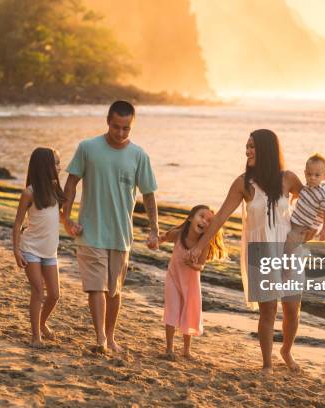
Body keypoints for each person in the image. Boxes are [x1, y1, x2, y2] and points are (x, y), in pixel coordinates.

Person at [188, 129, 312, 373]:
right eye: (247, 146)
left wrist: (311, 230)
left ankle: (286, 350)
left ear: (267, 149)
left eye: (252, 146)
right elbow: (221, 216)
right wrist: (199, 246)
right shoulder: (243, 183)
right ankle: (267, 364)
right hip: (261, 252)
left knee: (291, 308)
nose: (247, 151)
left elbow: (310, 203)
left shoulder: (287, 178)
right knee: (268, 310)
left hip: (289, 251)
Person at [62, 100, 159, 353]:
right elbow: (71, 183)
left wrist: (154, 229)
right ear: (108, 120)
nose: (120, 133)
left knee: (114, 291)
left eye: (126, 128)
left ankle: (110, 335)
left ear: (132, 126)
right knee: (97, 287)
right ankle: (100, 340)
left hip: (120, 234)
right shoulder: (88, 148)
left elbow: (149, 195)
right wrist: (66, 217)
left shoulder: (139, 155)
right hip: (89, 231)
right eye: (116, 127)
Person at [12, 147, 64, 348]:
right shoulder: (29, 193)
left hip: (50, 251)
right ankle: (36, 336)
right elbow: (17, 224)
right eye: (57, 163)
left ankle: (42, 324)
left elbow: (59, 216)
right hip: (31, 249)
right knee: (38, 291)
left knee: (54, 294)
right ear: (45, 166)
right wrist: (17, 251)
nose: (60, 167)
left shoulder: (55, 189)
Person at [159, 205, 226, 360]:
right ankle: (169, 348)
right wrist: (156, 241)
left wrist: (192, 264)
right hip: (174, 279)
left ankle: (186, 350)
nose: (204, 221)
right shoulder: (178, 235)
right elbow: (164, 237)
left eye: (209, 221)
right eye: (202, 216)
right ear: (190, 218)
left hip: (191, 285)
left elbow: (201, 266)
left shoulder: (204, 244)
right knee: (172, 311)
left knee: (189, 314)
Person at [284, 153, 325, 254]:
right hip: (294, 222)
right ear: (305, 173)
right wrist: (297, 196)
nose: (312, 177)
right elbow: (305, 195)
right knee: (287, 243)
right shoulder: (308, 186)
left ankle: (288, 262)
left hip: (303, 227)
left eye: (317, 175)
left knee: (287, 248)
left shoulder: (323, 195)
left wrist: (324, 230)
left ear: (324, 176)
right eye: (309, 174)